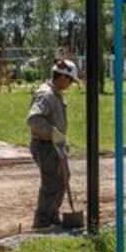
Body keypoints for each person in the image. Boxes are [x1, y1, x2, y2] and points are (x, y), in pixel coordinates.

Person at [26, 59, 77, 229]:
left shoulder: (55, 93)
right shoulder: (46, 95)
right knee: (52, 182)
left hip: (56, 144)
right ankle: (42, 220)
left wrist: (59, 138)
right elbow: (34, 119)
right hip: (45, 145)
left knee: (63, 178)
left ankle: (53, 214)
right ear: (62, 77)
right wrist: (53, 132)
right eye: (70, 80)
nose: (70, 84)